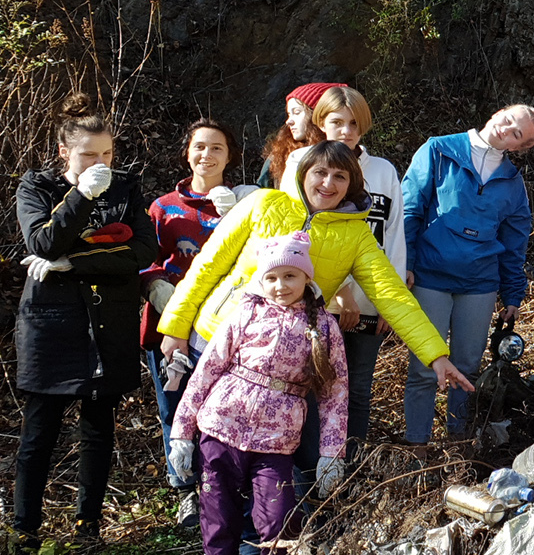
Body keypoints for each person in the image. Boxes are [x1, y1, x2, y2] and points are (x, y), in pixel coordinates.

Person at [158, 141, 469, 423]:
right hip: (216, 336)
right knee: (204, 437)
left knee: (268, 450)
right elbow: (207, 267)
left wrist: (436, 356)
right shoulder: (262, 204)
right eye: (320, 172)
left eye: (339, 176)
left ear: (351, 185)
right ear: (303, 173)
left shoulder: (356, 235)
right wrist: (175, 327)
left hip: (285, 358)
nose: (327, 184)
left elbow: (392, 295)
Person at [170, 232, 348, 555]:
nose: (280, 286)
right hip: (221, 428)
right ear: (260, 280)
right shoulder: (245, 313)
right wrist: (182, 431)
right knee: (219, 519)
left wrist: (331, 454)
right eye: (272, 278)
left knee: (279, 520)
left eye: (290, 277)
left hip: (277, 441)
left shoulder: (322, 326)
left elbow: (335, 395)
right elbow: (206, 371)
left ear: (306, 279)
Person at [14, 94, 158, 546]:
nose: (102, 163)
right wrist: (81, 194)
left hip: (108, 321)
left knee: (98, 428)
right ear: (65, 152)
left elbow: (141, 252)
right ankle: (25, 530)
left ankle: (87, 524)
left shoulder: (127, 187)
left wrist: (76, 264)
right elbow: (43, 242)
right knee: (40, 431)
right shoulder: (37, 187)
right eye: (90, 155)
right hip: (52, 325)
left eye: (108, 154)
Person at [400, 105, 534, 442]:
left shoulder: (512, 183)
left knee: (467, 367)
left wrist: (512, 294)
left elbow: (514, 243)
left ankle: (458, 443)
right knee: (424, 367)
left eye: (516, 134)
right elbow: (410, 209)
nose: (506, 129)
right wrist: (405, 262)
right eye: (508, 119)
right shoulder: (439, 150)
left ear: (518, 147)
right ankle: (416, 445)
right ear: (497, 112)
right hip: (429, 276)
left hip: (479, 284)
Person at [140, 118, 258, 528]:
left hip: (225, 325)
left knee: (221, 406)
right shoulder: (163, 206)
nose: (206, 155)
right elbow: (145, 258)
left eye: (217, 148)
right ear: (187, 152)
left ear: (231, 157)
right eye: (200, 147)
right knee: (173, 404)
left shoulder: (247, 204)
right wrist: (158, 288)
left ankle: (222, 486)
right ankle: (184, 489)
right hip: (171, 320)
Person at [290, 86, 402, 454]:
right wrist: (340, 291)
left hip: (371, 300)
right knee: (311, 385)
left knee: (357, 387)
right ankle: (308, 467)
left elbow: (394, 236)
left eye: (354, 123)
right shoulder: (301, 163)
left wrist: (389, 304)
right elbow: (296, 235)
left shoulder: (383, 171)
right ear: (321, 122)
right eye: (337, 122)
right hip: (316, 297)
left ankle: (350, 467)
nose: (346, 131)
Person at [257, 82, 342, 188]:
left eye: (297, 112)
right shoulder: (280, 154)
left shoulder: (346, 154)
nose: (289, 121)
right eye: (289, 114)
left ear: (317, 116)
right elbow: (261, 193)